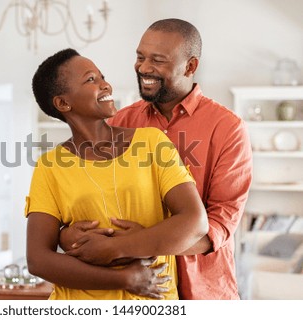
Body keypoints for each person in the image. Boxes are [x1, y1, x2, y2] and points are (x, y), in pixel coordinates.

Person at [60, 18, 253, 300]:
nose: (144, 68)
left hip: (202, 292)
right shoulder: (120, 121)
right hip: (134, 291)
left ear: (190, 66)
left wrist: (141, 243)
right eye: (140, 57)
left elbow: (220, 224)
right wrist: (69, 232)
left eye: (158, 60)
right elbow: (90, 194)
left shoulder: (227, 127)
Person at [25, 48, 208, 300]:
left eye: (102, 77)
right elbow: (38, 260)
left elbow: (195, 221)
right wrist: (124, 278)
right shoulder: (50, 166)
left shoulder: (152, 142)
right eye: (91, 80)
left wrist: (113, 248)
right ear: (63, 103)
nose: (105, 85)